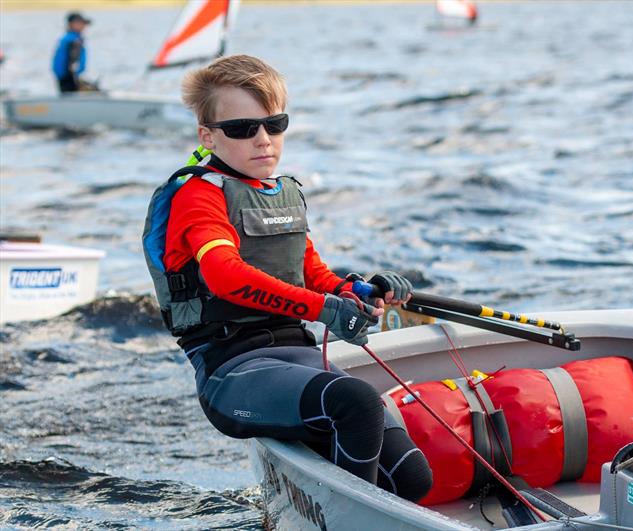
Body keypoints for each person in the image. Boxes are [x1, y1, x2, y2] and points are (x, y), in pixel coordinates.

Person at [142, 55, 433, 502]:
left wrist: (356, 291)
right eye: (242, 129)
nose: (263, 140)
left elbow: (311, 273)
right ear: (207, 136)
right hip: (233, 368)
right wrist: (323, 309)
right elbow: (223, 276)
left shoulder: (282, 193)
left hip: (294, 355)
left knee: (414, 479)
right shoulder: (199, 196)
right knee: (354, 403)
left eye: (275, 124)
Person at [52, 12, 97, 93]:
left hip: (66, 79)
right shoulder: (73, 40)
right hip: (68, 80)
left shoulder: (68, 38)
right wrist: (75, 82)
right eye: (81, 23)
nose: (84, 26)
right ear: (72, 24)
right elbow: (71, 65)